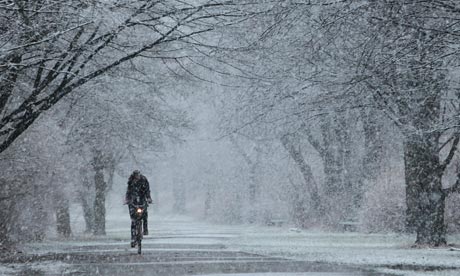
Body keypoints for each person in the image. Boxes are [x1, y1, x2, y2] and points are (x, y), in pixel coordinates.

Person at [125, 170, 152, 246]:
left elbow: (147, 191)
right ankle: (133, 238)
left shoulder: (144, 180)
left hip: (142, 199)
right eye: (136, 176)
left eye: (138, 176)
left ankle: (145, 229)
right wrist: (127, 199)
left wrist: (149, 198)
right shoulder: (131, 181)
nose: (137, 178)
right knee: (133, 220)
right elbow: (128, 191)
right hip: (133, 201)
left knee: (145, 214)